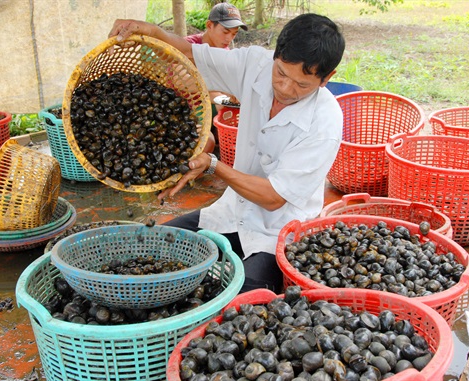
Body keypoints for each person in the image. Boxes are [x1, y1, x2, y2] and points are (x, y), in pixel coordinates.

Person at [109, 13, 345, 293]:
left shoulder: (325, 122)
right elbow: (191, 53)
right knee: (153, 244)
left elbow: (273, 198)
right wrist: (151, 31)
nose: (285, 88)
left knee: (239, 299)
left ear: (327, 78)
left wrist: (213, 165)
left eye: (301, 85)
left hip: (280, 232)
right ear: (276, 55)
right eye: (280, 73)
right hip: (233, 210)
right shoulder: (256, 64)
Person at [185, 2, 247, 154]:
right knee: (206, 142)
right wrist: (222, 89)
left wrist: (231, 93)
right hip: (185, 106)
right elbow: (184, 83)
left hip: (207, 104)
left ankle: (224, 148)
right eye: (225, 32)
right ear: (209, 25)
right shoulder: (188, 46)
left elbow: (218, 92)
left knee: (234, 110)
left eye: (234, 34)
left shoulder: (225, 52)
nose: (229, 39)